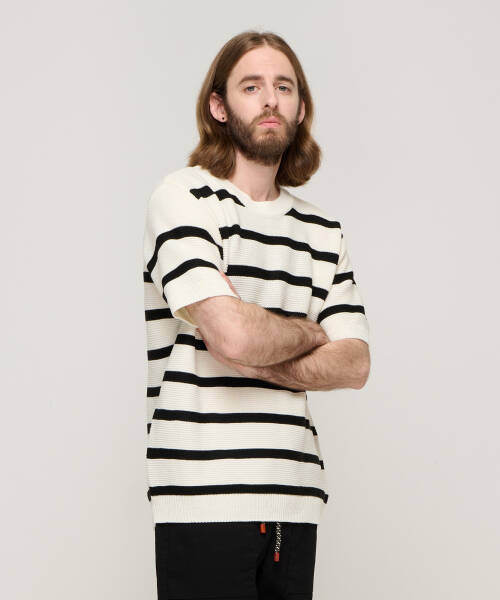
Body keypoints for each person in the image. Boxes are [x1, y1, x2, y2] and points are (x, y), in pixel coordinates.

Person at [143, 29, 371, 600]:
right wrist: (312, 332)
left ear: (300, 108)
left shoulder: (323, 231)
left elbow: (354, 364)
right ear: (219, 107)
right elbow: (232, 336)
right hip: (203, 496)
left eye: (283, 87)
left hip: (294, 496)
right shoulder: (183, 199)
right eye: (251, 86)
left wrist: (256, 345)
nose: (270, 99)